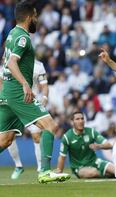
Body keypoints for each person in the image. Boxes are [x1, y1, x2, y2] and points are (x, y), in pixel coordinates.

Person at [0, 1, 70, 183]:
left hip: (7, 93)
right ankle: (45, 172)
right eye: (36, 16)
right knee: (51, 126)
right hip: (18, 93)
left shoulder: (11, 34)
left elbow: (5, 59)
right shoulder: (23, 37)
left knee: (5, 140)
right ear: (30, 17)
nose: (37, 20)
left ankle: (44, 171)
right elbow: (11, 62)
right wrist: (25, 84)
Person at [7, 59, 49, 179]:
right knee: (9, 137)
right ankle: (18, 165)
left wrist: (45, 98)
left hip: (30, 104)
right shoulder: (10, 62)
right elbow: (2, 82)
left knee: (37, 136)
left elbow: (44, 85)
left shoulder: (38, 65)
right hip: (13, 104)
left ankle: (41, 168)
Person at [56, 112, 115, 179]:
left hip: (95, 162)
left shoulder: (91, 132)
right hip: (79, 167)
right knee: (93, 172)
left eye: (82, 119)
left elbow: (109, 145)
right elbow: (62, 157)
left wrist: (99, 146)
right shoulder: (67, 137)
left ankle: (113, 174)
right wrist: (59, 174)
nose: (80, 121)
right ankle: (108, 175)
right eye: (77, 119)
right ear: (72, 122)